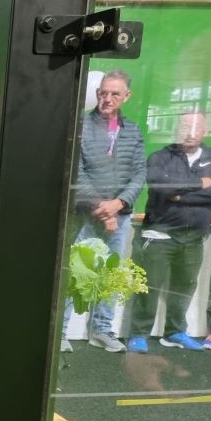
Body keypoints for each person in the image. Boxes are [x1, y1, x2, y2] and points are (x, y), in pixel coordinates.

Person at [62, 69, 146, 353]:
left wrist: (118, 205)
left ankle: (102, 330)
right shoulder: (80, 127)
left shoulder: (133, 131)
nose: (107, 99)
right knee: (75, 272)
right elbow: (77, 171)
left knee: (111, 275)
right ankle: (59, 333)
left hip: (119, 217)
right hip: (85, 215)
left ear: (126, 96)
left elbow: (139, 174)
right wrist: (103, 208)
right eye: (103, 93)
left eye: (114, 94)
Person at [127, 112, 211, 353]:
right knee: (149, 285)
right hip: (160, 233)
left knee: (184, 286)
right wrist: (201, 184)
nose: (190, 132)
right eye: (185, 126)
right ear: (177, 129)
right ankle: (138, 334)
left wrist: (180, 194)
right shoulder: (160, 157)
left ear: (205, 131)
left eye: (196, 127)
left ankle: (175, 332)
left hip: (194, 237)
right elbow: (161, 187)